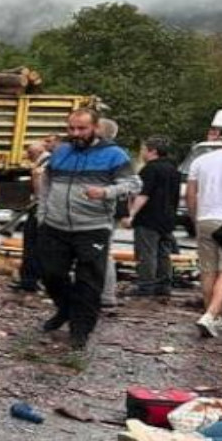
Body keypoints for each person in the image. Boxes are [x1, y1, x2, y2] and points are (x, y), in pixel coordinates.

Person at [37, 108, 141, 349]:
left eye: (82, 128)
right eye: (71, 128)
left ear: (95, 128)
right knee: (50, 273)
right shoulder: (61, 151)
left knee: (88, 280)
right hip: (55, 224)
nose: (76, 133)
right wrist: (42, 213)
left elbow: (133, 183)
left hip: (92, 226)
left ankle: (80, 330)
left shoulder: (113, 154)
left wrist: (105, 192)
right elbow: (47, 181)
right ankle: (65, 309)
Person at [186, 125, 222, 338]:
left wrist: (196, 218)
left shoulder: (201, 160)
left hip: (205, 218)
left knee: (208, 270)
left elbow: (191, 193)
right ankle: (210, 315)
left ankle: (214, 316)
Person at [122, 136, 180, 298]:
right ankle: (164, 285)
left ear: (152, 151)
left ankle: (145, 286)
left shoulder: (149, 169)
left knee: (147, 253)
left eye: (143, 150)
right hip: (167, 217)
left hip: (148, 217)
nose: (142, 153)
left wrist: (131, 214)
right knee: (164, 253)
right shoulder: (173, 169)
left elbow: (143, 194)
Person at [12, 141, 51, 293]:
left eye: (29, 153)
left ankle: (32, 280)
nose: (27, 156)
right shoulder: (43, 163)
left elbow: (40, 190)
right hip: (38, 207)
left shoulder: (46, 164)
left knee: (34, 244)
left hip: (41, 208)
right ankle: (28, 280)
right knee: (30, 244)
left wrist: (36, 178)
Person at [98, 118, 123, 308]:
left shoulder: (110, 155)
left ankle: (106, 294)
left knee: (102, 252)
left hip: (101, 211)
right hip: (104, 210)